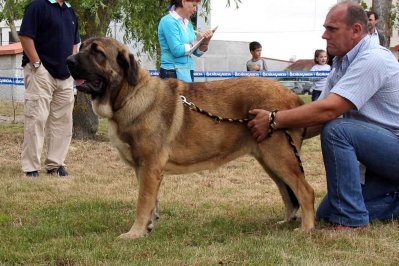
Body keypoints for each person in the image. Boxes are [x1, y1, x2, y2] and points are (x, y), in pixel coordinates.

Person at [248, 2, 399, 230]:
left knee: (338, 129)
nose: (324, 35)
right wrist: (274, 132)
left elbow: (329, 111)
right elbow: (317, 117)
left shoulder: (374, 58)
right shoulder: (340, 63)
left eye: (332, 29)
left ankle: (352, 221)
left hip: (392, 151)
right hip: (381, 158)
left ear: (356, 30)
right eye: (325, 28)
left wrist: (274, 119)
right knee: (327, 213)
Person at [19, 0, 80, 177]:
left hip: (65, 74)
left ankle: (55, 164)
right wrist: (37, 64)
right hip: (41, 72)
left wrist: (72, 66)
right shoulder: (37, 6)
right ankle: (31, 167)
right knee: (36, 118)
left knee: (63, 122)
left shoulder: (70, 11)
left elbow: (74, 43)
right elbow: (25, 36)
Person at [158, 0, 214, 83]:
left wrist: (205, 41)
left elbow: (196, 53)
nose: (195, 10)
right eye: (194, 5)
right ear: (183, 2)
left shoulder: (188, 24)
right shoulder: (168, 21)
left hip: (187, 71)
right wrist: (196, 40)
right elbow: (177, 50)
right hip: (171, 72)